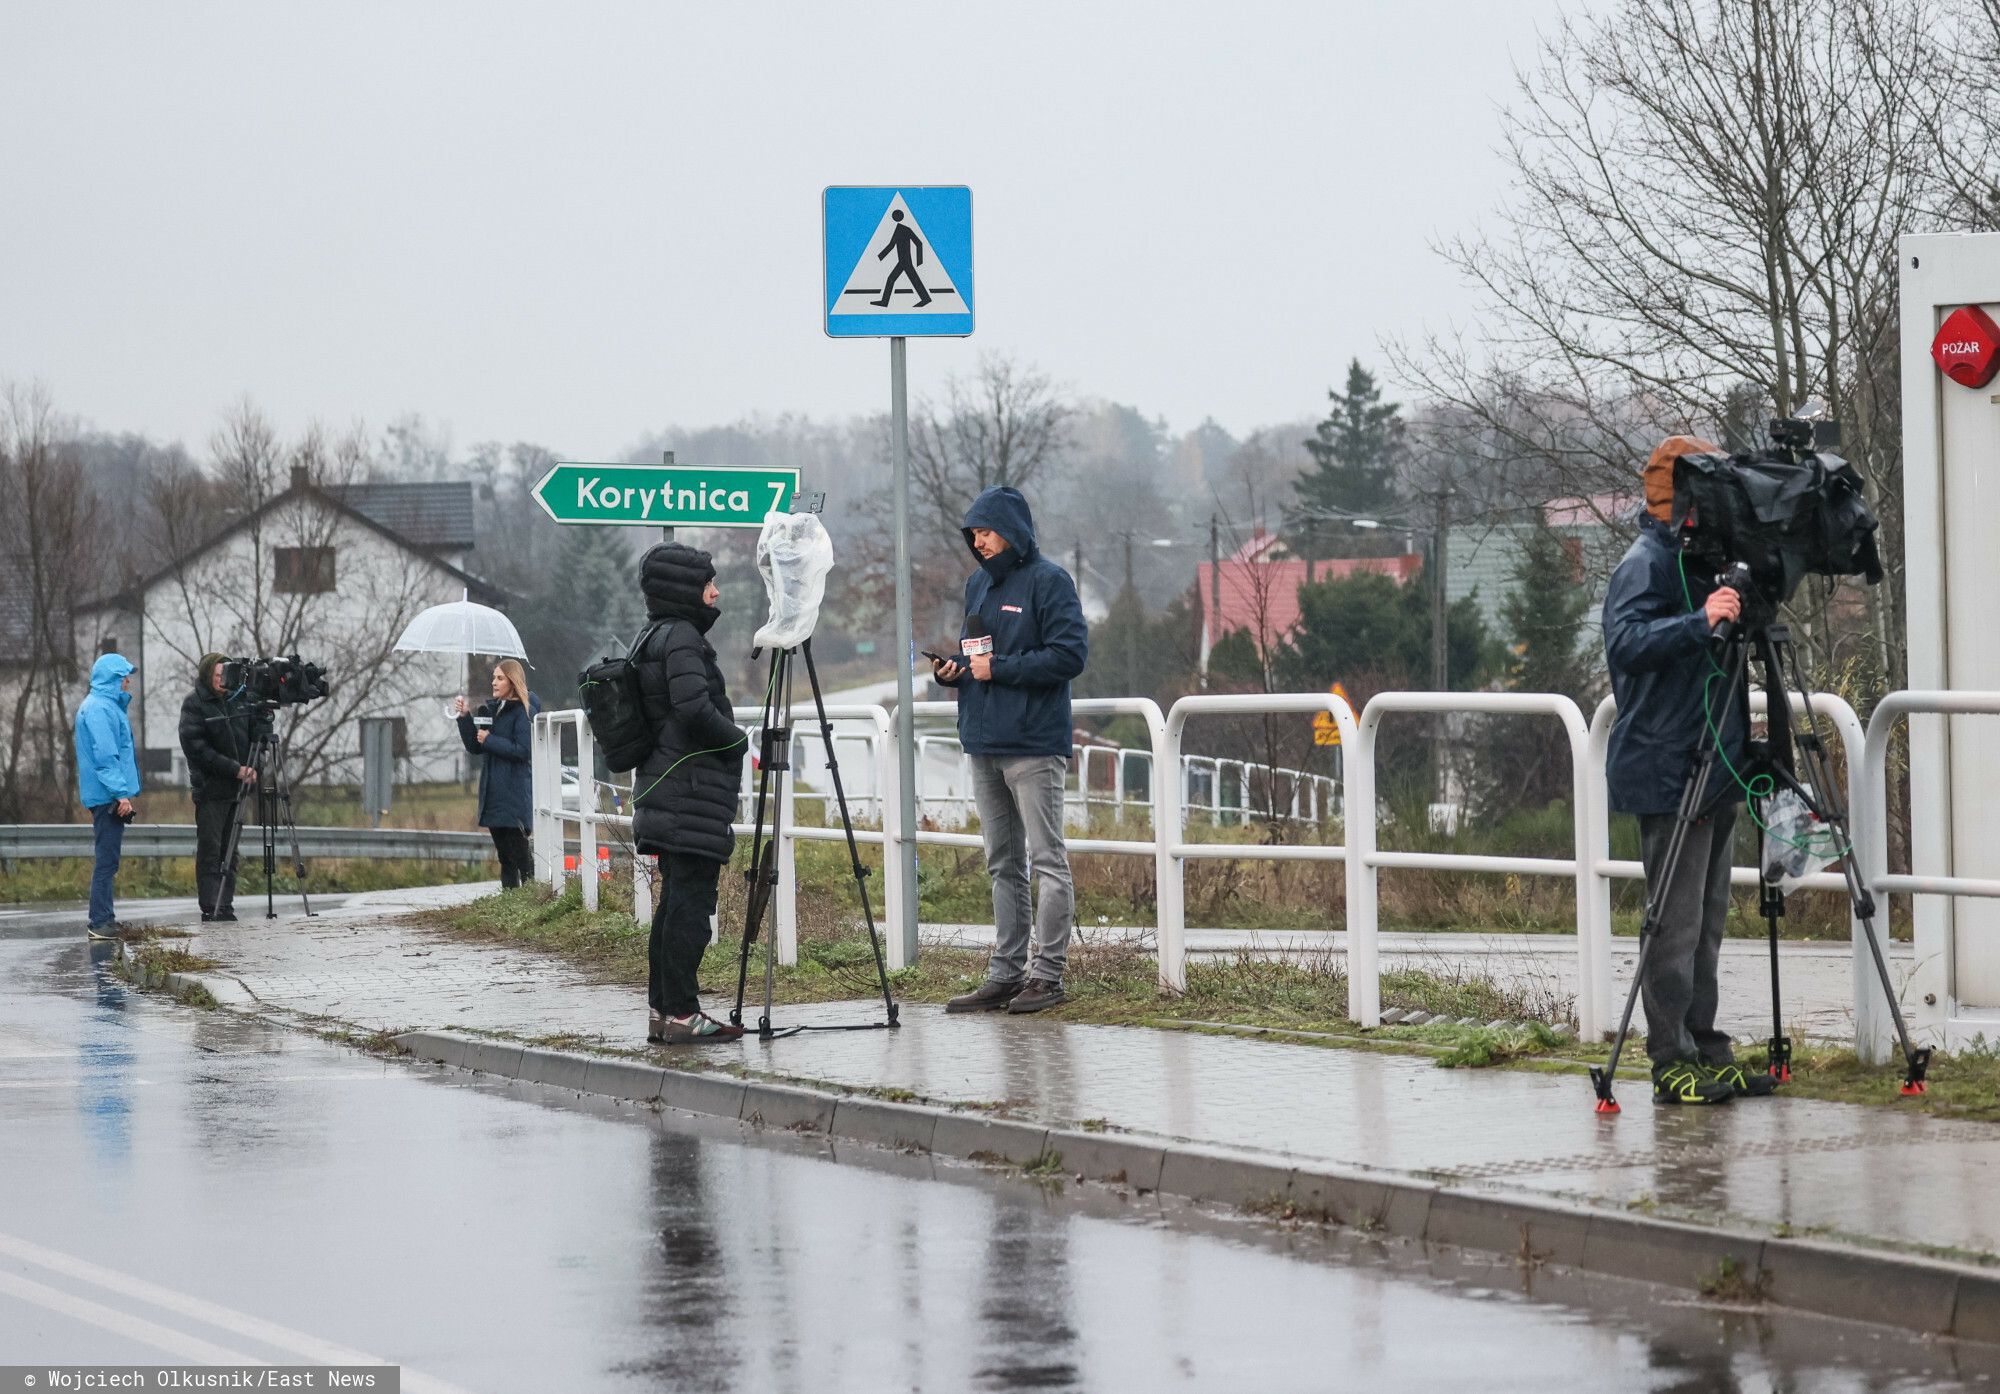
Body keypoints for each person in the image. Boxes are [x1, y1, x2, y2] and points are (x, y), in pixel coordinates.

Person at [1604, 435, 1769, 1106]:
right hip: (1668, 764)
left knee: (1708, 920)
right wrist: (1699, 622)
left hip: (1714, 757)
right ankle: (1669, 1059)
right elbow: (1626, 643)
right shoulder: (1645, 562)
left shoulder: (1704, 562)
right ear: (1677, 497)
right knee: (1672, 927)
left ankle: (1705, 1044)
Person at [931, 486, 1089, 1015]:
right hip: (984, 741)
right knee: (1002, 863)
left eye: (987, 531)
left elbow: (1069, 656)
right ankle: (1005, 974)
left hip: (1033, 744)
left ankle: (1047, 976)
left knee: (1047, 861)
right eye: (973, 534)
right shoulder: (977, 584)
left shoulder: (1050, 581)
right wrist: (952, 671)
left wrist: (997, 670)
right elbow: (976, 654)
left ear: (1013, 531)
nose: (979, 542)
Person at [630, 542, 749, 1045]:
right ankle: (682, 1013)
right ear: (686, 589)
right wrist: (738, 739)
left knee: (674, 905)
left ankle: (664, 1011)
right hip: (690, 792)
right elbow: (694, 709)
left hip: (667, 789)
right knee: (690, 910)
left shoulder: (653, 635)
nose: (715, 592)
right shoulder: (681, 638)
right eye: (707, 584)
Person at [178, 652, 257, 921]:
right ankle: (211, 904)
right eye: (217, 676)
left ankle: (226, 903)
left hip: (237, 791)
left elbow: (252, 736)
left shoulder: (238, 700)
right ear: (207, 675)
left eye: (226, 675)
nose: (222, 681)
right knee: (211, 850)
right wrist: (235, 769)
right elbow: (197, 749)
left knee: (230, 851)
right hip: (212, 790)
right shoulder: (195, 704)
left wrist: (252, 766)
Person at [456, 658, 540, 890]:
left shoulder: (524, 712)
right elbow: (476, 747)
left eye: (500, 678)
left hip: (513, 795)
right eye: (494, 677)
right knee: (505, 857)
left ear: (512, 681)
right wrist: (465, 718)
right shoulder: (492, 710)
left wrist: (490, 740)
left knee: (521, 856)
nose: (494, 682)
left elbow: (523, 750)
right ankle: (510, 903)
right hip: (493, 795)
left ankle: (532, 901)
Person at [74, 653, 141, 940]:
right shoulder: (100, 708)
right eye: (123, 676)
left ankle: (105, 918)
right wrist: (120, 794)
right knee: (107, 861)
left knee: (108, 859)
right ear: (112, 679)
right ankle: (100, 921)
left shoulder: (103, 706)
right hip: (106, 795)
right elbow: (105, 757)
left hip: (105, 793)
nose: (127, 681)